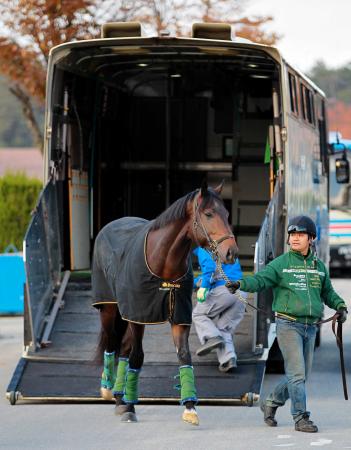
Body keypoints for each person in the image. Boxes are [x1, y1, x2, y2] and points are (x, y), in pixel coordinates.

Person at [227, 215, 348, 433]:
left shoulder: (318, 266)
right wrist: (240, 284)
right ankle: (301, 417)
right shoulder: (281, 264)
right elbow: (260, 279)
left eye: (300, 234)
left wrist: (340, 306)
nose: (294, 238)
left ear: (311, 238)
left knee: (300, 376)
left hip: (311, 327)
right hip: (288, 326)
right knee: (298, 375)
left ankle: (271, 401)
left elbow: (328, 292)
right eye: (292, 234)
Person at [192, 246, 246, 373]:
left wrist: (204, 287)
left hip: (224, 290)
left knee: (199, 314)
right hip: (241, 292)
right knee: (223, 327)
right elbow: (215, 272)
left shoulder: (203, 247)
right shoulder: (225, 247)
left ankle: (212, 337)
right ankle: (228, 359)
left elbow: (209, 268)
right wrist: (195, 282)